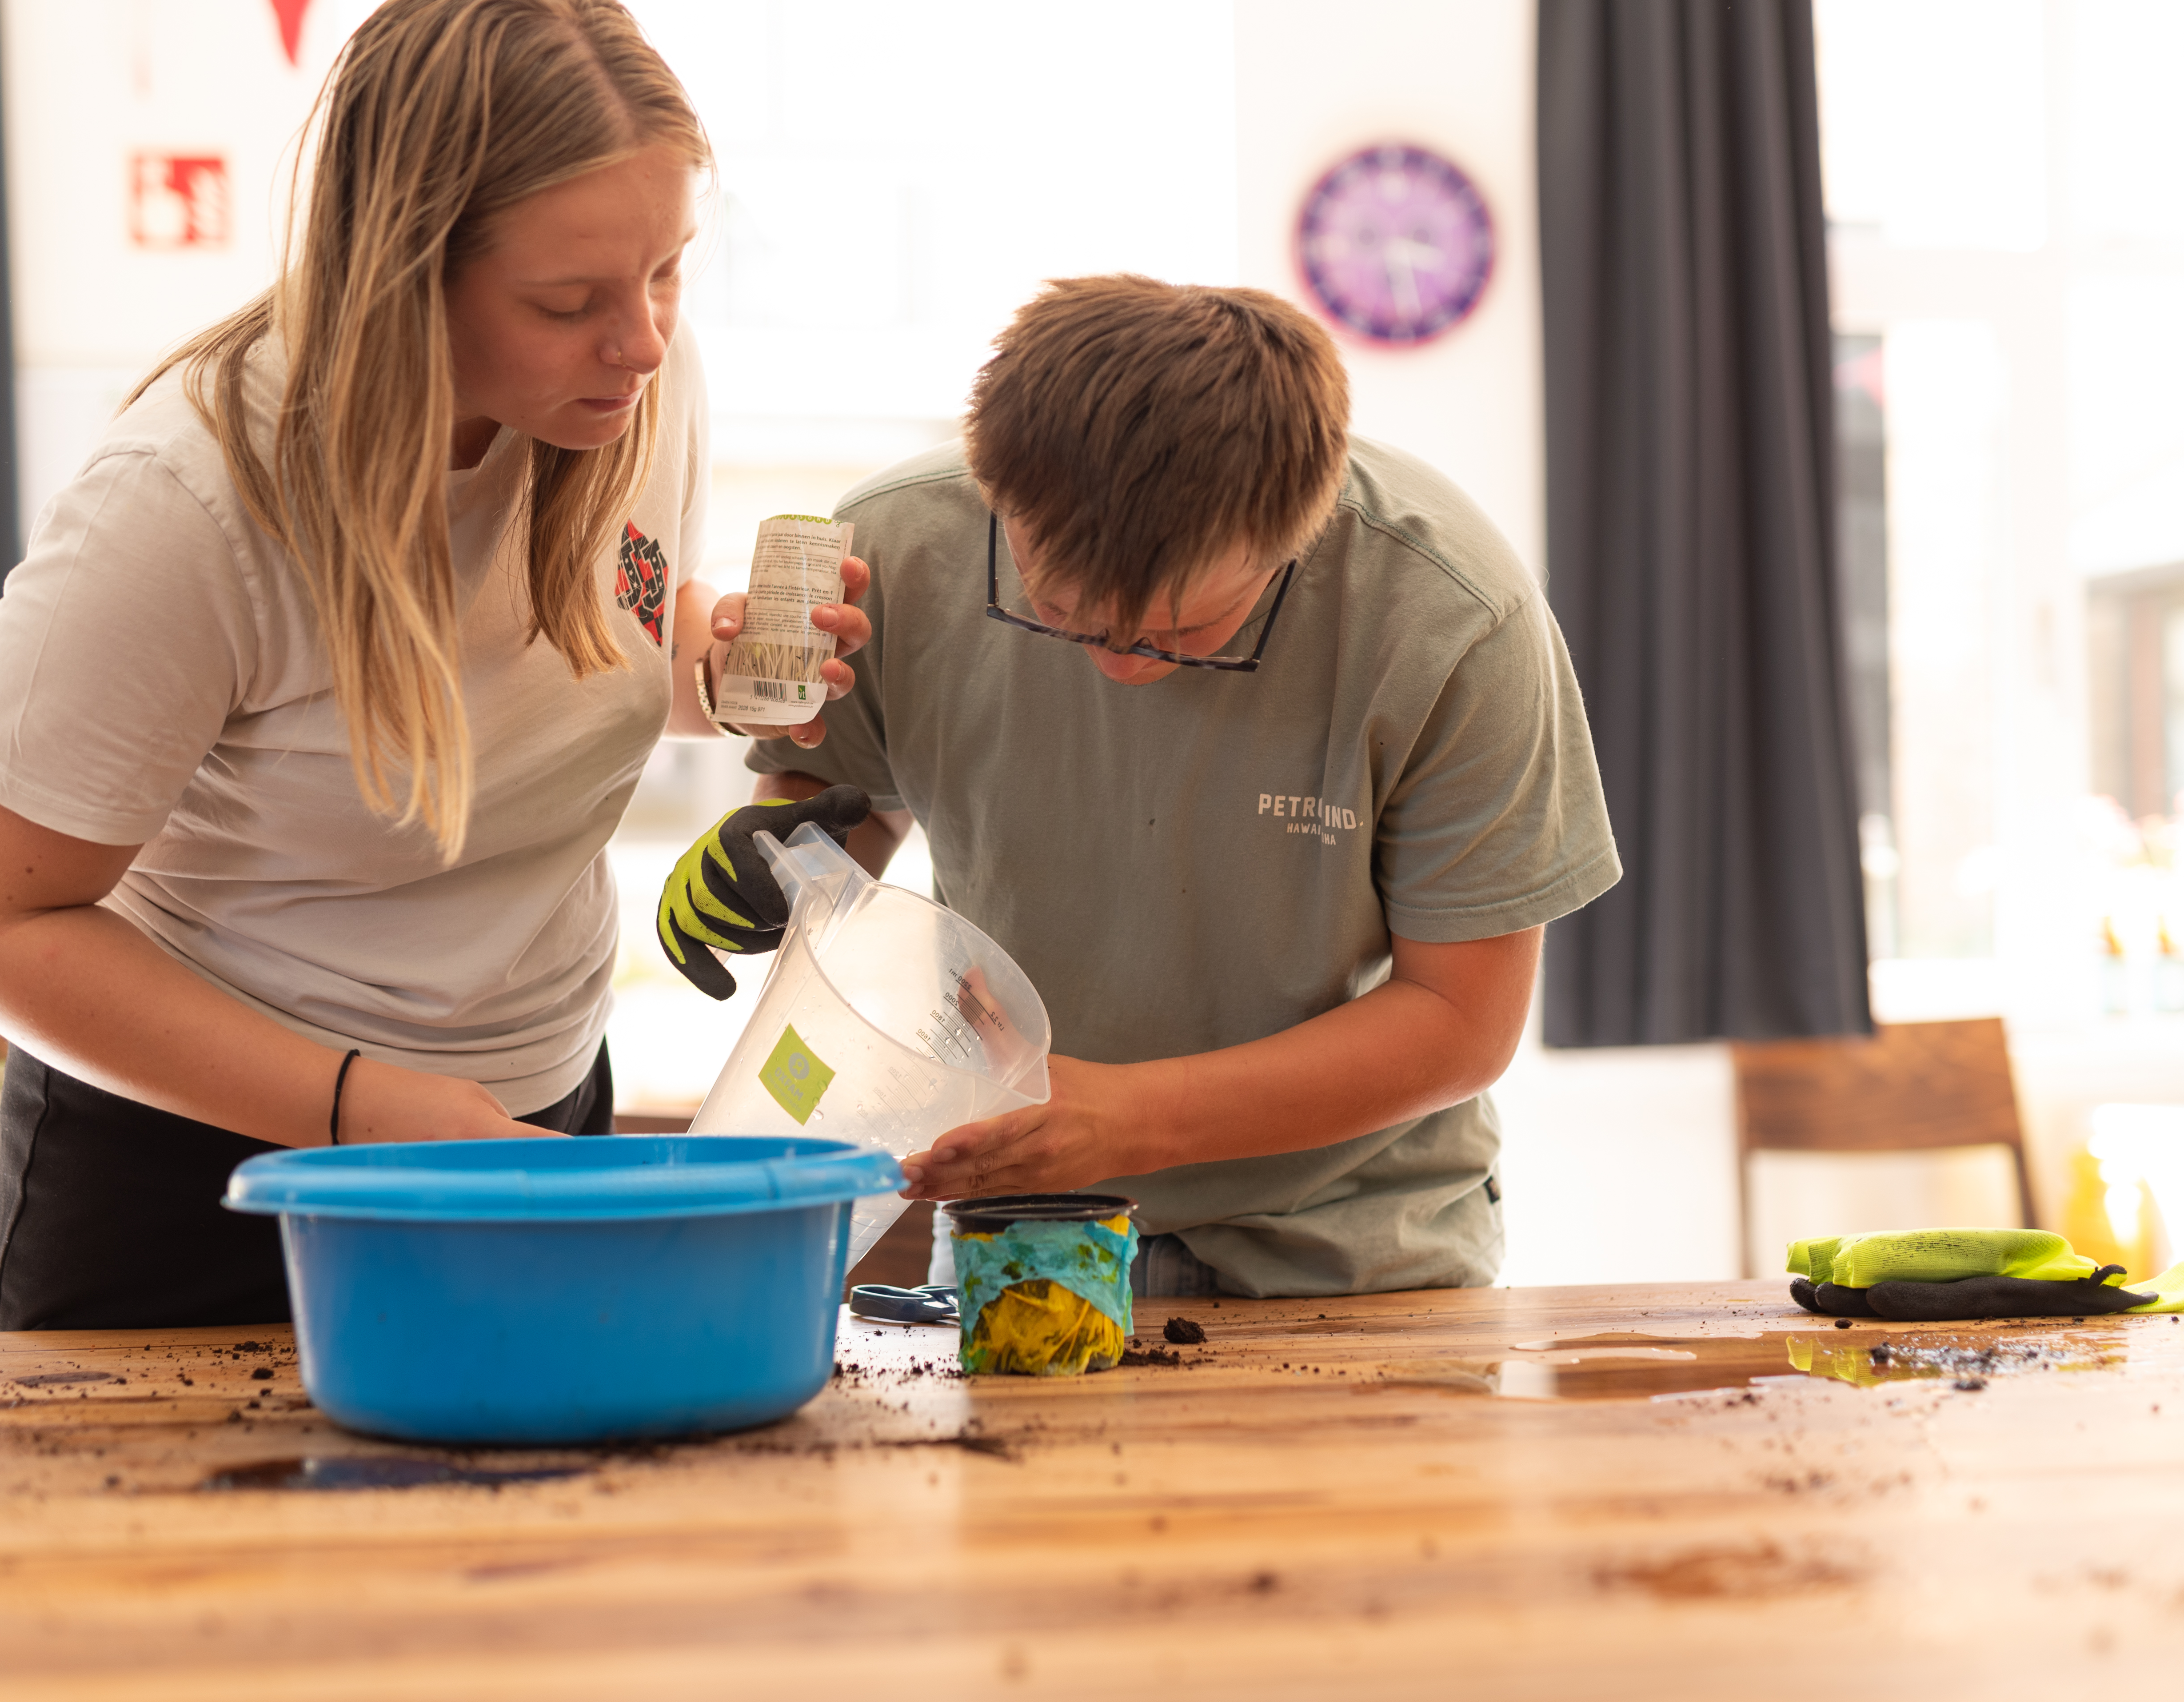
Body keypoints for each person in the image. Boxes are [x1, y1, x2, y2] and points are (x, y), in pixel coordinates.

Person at [0, 0, 870, 1332]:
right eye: (567, 299)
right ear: (411, 271)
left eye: (668, 270)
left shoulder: (632, 382)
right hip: (207, 1172)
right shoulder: (190, 503)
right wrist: (366, 1109)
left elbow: (566, 652)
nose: (643, 338)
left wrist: (714, 658)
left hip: (528, 1121)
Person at [663, 276, 1618, 1298]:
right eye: (1065, 615)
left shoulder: (1451, 620)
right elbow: (839, 802)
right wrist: (773, 856)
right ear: (995, 498)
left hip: (1353, 1251)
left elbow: (1459, 1021)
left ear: (1300, 528)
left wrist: (1121, 1118)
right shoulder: (901, 546)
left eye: (1182, 633)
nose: (1120, 666)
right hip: (1016, 1226)